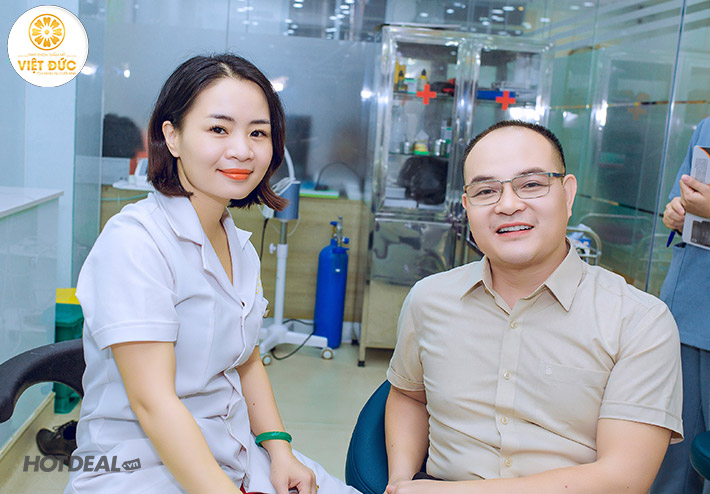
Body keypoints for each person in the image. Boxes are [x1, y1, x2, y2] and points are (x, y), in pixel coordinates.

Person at [66, 54, 361, 494]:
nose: (242, 150)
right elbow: (153, 404)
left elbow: (247, 360)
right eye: (219, 129)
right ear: (172, 136)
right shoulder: (135, 242)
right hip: (140, 466)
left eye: (258, 133)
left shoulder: (238, 244)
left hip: (233, 453)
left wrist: (280, 450)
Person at [384, 120, 683, 493]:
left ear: (568, 194)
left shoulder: (639, 321)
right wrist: (400, 480)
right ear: (467, 207)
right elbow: (408, 396)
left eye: (531, 184)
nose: (509, 205)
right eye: (486, 191)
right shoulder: (429, 298)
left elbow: (625, 479)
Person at [651, 116, 710, 494]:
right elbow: (681, 201)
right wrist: (675, 212)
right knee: (672, 454)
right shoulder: (707, 127)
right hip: (688, 305)